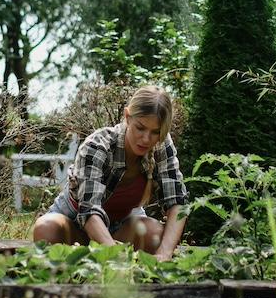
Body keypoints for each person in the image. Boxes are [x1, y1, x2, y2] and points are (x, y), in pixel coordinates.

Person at [32, 85, 188, 261]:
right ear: (128, 117)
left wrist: (164, 253)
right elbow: (89, 212)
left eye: (155, 132)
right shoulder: (98, 145)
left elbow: (177, 203)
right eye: (140, 128)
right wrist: (115, 257)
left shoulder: (161, 145)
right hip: (76, 222)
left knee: (156, 235)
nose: (146, 139)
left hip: (122, 225)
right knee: (45, 228)